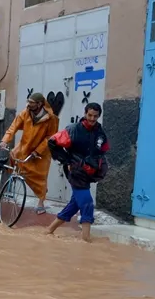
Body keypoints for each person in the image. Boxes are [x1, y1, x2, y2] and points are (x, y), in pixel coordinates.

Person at [46, 102, 110, 243]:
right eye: (90, 115)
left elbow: (103, 150)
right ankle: (86, 239)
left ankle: (49, 230)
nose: (92, 119)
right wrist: (67, 161)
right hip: (75, 171)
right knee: (87, 202)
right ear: (85, 114)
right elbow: (52, 142)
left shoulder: (100, 133)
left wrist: (99, 168)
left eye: (95, 116)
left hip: (89, 173)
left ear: (99, 116)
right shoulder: (73, 130)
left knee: (75, 204)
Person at [0, 92, 59, 214]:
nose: (28, 105)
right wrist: (5, 140)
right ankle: (10, 184)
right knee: (14, 156)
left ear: (40, 104)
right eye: (28, 102)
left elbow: (50, 137)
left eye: (31, 103)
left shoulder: (51, 118)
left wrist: (37, 151)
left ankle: (41, 202)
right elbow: (13, 126)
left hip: (41, 151)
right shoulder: (25, 113)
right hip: (25, 146)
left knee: (40, 178)